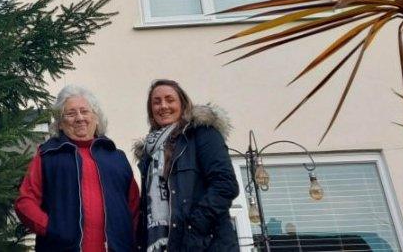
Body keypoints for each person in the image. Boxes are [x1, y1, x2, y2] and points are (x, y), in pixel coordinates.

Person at [16, 85, 140, 251]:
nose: (79, 118)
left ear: (96, 118)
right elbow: (25, 202)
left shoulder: (116, 157)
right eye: (71, 113)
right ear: (60, 123)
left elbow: (134, 208)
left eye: (84, 111)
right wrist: (51, 229)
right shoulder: (48, 155)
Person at [135, 80, 239, 252]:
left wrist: (194, 227)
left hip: (205, 244)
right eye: (157, 102)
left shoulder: (203, 134)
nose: (163, 106)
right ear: (151, 110)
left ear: (182, 104)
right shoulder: (149, 153)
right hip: (167, 245)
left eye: (170, 100)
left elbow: (225, 185)